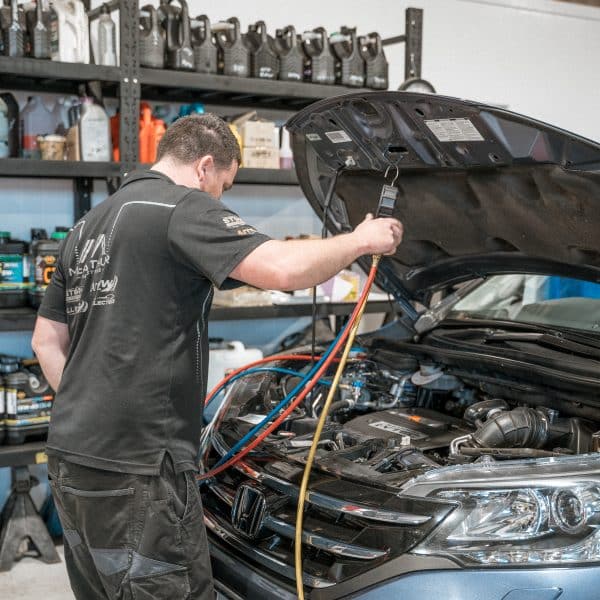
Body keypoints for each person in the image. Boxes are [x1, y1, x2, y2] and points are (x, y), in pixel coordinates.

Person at [31, 113, 403, 600]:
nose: (220, 200)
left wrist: (93, 406)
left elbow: (45, 339)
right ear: (204, 167)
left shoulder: (88, 226)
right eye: (223, 187)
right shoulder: (181, 206)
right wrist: (360, 240)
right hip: (139, 465)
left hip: (70, 455)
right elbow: (280, 268)